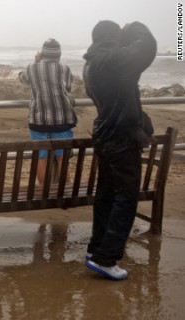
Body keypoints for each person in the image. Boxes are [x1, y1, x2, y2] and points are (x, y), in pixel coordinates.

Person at [83, 20, 156, 280]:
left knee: (106, 196)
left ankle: (96, 250)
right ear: (114, 38)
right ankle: (106, 258)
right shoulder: (112, 60)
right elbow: (147, 48)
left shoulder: (92, 61)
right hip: (121, 139)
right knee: (125, 199)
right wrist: (136, 27)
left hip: (106, 136)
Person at [19, 38, 77, 184]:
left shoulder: (32, 67)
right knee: (62, 157)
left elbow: (22, 78)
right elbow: (68, 87)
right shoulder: (65, 69)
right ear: (59, 54)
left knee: (42, 156)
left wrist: (36, 61)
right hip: (62, 118)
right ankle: (64, 191)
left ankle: (44, 192)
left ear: (43, 53)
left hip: (38, 119)